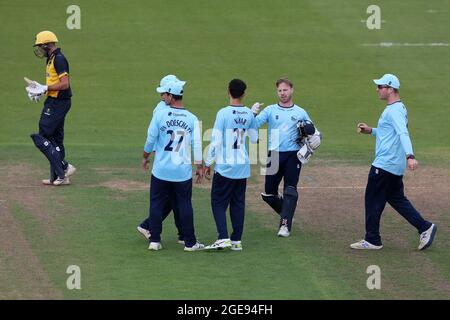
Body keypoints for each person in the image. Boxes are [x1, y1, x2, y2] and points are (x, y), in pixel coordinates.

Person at [351, 74, 437, 250]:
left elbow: (402, 134)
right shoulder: (396, 108)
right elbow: (389, 132)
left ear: (390, 89)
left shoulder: (394, 111)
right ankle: (425, 227)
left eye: (381, 86)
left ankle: (372, 239)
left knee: (372, 199)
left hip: (385, 165)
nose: (377, 89)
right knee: (397, 200)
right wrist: (371, 131)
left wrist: (410, 156)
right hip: (393, 166)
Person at [252, 78, 321, 237]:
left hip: (293, 155)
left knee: (290, 189)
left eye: (285, 90)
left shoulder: (300, 112)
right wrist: (252, 113)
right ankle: (287, 214)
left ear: (291, 90)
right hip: (273, 155)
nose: (282, 93)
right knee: (268, 194)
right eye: (280, 91)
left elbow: (313, 130)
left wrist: (318, 138)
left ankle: (285, 225)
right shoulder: (270, 110)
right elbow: (254, 125)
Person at [142, 79, 205, 251]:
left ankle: (154, 240)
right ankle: (190, 243)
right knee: (185, 204)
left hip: (161, 170)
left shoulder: (160, 115)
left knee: (156, 203)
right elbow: (197, 145)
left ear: (171, 95)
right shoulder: (192, 118)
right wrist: (199, 167)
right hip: (182, 172)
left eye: (165, 94)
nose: (163, 97)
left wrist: (145, 156)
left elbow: (150, 138)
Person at [203, 79, 258, 251]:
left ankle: (223, 237)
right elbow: (255, 138)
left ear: (228, 91)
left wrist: (207, 163)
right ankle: (236, 240)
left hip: (225, 167)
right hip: (242, 167)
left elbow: (216, 140)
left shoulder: (223, 113)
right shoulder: (249, 114)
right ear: (244, 94)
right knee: (238, 203)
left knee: (218, 202)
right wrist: (252, 116)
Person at [137, 75, 183, 245]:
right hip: (167, 158)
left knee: (174, 198)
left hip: (167, 157)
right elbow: (153, 136)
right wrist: (146, 156)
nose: (162, 95)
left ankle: (181, 233)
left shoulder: (163, 108)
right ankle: (150, 226)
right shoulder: (162, 110)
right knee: (173, 198)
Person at [26, 30, 76, 185]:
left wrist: (45, 88)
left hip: (58, 103)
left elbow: (65, 84)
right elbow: (53, 83)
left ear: (47, 45)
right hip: (55, 101)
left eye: (41, 46)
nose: (39, 50)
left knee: (44, 134)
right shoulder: (51, 59)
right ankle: (59, 177)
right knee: (55, 138)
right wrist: (41, 90)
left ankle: (64, 167)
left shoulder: (59, 59)